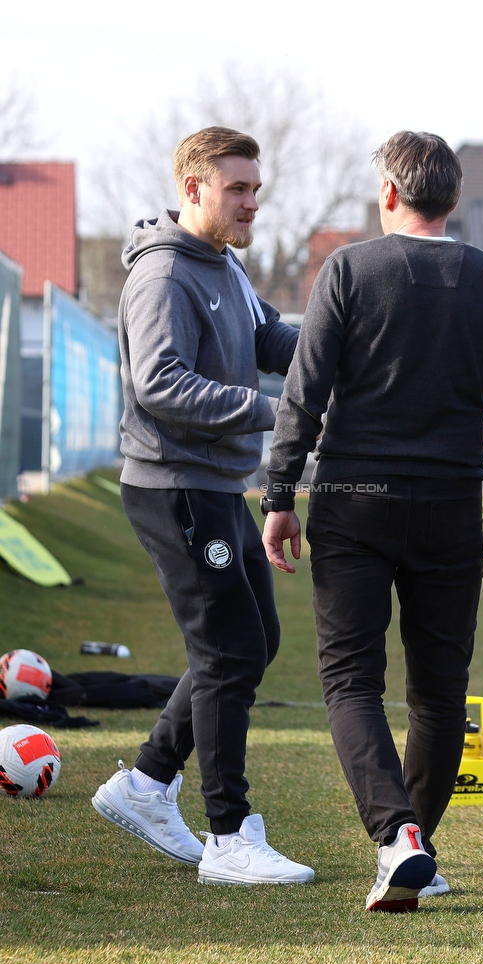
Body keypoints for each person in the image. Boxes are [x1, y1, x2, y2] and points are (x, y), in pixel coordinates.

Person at [261, 131, 483, 912]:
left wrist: (278, 495)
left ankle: (398, 839)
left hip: (354, 500)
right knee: (439, 692)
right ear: (453, 199)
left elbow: (304, 392)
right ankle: (413, 843)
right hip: (454, 506)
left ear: (389, 194)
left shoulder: (349, 269)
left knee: (351, 680)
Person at [92, 126, 313, 887]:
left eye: (256, 186)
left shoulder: (226, 266)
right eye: (238, 189)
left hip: (215, 487)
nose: (254, 201)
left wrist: (346, 340)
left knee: (252, 642)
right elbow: (160, 384)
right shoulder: (162, 275)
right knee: (227, 651)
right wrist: (274, 412)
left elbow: (272, 337)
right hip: (174, 486)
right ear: (193, 190)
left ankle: (148, 781)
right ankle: (229, 838)